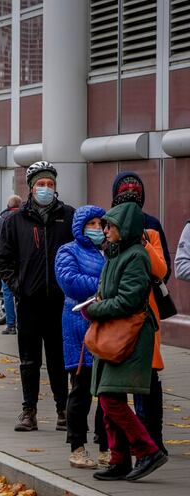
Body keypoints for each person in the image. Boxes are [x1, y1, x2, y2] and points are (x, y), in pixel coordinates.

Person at [87, 202, 168, 482]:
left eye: (110, 226)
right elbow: (107, 292)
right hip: (114, 334)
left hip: (130, 336)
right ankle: (119, 460)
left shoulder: (135, 256)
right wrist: (97, 302)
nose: (104, 230)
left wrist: (95, 309)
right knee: (111, 397)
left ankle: (148, 451)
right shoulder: (115, 253)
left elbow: (129, 300)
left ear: (126, 228)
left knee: (111, 398)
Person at [0, 161, 75, 432]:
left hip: (59, 302)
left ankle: (63, 410)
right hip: (29, 302)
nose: (45, 189)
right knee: (29, 360)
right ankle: (29, 411)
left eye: (50, 184)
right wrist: (19, 286)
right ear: (31, 188)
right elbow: (3, 258)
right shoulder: (16, 220)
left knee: (58, 359)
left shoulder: (68, 216)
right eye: (40, 184)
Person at [110, 172, 170, 457]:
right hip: (117, 319)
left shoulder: (152, 228)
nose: (131, 194)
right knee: (113, 386)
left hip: (146, 318)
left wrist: (144, 240)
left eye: (136, 190)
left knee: (148, 384)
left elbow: (161, 271)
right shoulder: (110, 225)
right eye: (125, 190)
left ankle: (152, 441)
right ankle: (117, 447)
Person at [54, 205, 108, 469]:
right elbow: (70, 282)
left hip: (107, 325)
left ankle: (106, 446)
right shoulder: (68, 251)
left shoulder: (109, 250)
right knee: (82, 388)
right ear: (80, 226)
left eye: (101, 223)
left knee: (108, 391)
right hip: (79, 326)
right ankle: (77, 446)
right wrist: (104, 285)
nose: (97, 228)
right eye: (92, 223)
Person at [0, 194, 22, 335]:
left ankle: (11, 325)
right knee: (23, 293)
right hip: (23, 264)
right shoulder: (25, 219)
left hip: (7, 265)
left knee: (8, 293)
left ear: (8, 206)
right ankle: (22, 324)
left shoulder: (1, 221)